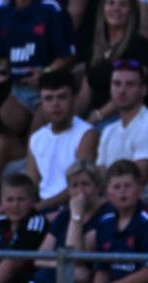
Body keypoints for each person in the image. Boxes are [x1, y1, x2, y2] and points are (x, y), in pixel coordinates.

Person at [0, 0, 76, 185]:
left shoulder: (51, 9)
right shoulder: (2, 12)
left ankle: (30, 189)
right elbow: (4, 58)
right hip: (18, 90)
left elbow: (67, 55)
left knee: (35, 142)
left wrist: (46, 72)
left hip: (48, 91)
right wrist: (1, 72)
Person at [97, 59, 148, 219]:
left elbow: (138, 180)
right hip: (119, 206)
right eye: (117, 84)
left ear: (143, 90)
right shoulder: (109, 131)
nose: (122, 90)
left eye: (130, 84)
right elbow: (101, 176)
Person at [26, 70, 99, 212]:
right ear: (41, 103)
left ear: (74, 99)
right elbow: (30, 185)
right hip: (42, 207)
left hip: (72, 207)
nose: (55, 104)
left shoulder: (87, 134)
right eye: (48, 99)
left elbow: (80, 185)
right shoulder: (36, 138)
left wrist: (37, 208)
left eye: (62, 97)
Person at [77, 0, 148, 129]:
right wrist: (73, 117)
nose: (116, 8)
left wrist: (95, 117)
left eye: (123, 4)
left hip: (123, 117)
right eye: (111, 3)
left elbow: (130, 93)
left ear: (131, 11)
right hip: (94, 117)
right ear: (103, 9)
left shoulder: (140, 46)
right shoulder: (95, 48)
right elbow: (85, 93)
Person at [0, 175, 48, 283]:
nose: (15, 205)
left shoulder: (36, 222)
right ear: (1, 201)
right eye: (10, 200)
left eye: (21, 200)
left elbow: (13, 263)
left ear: (33, 201)